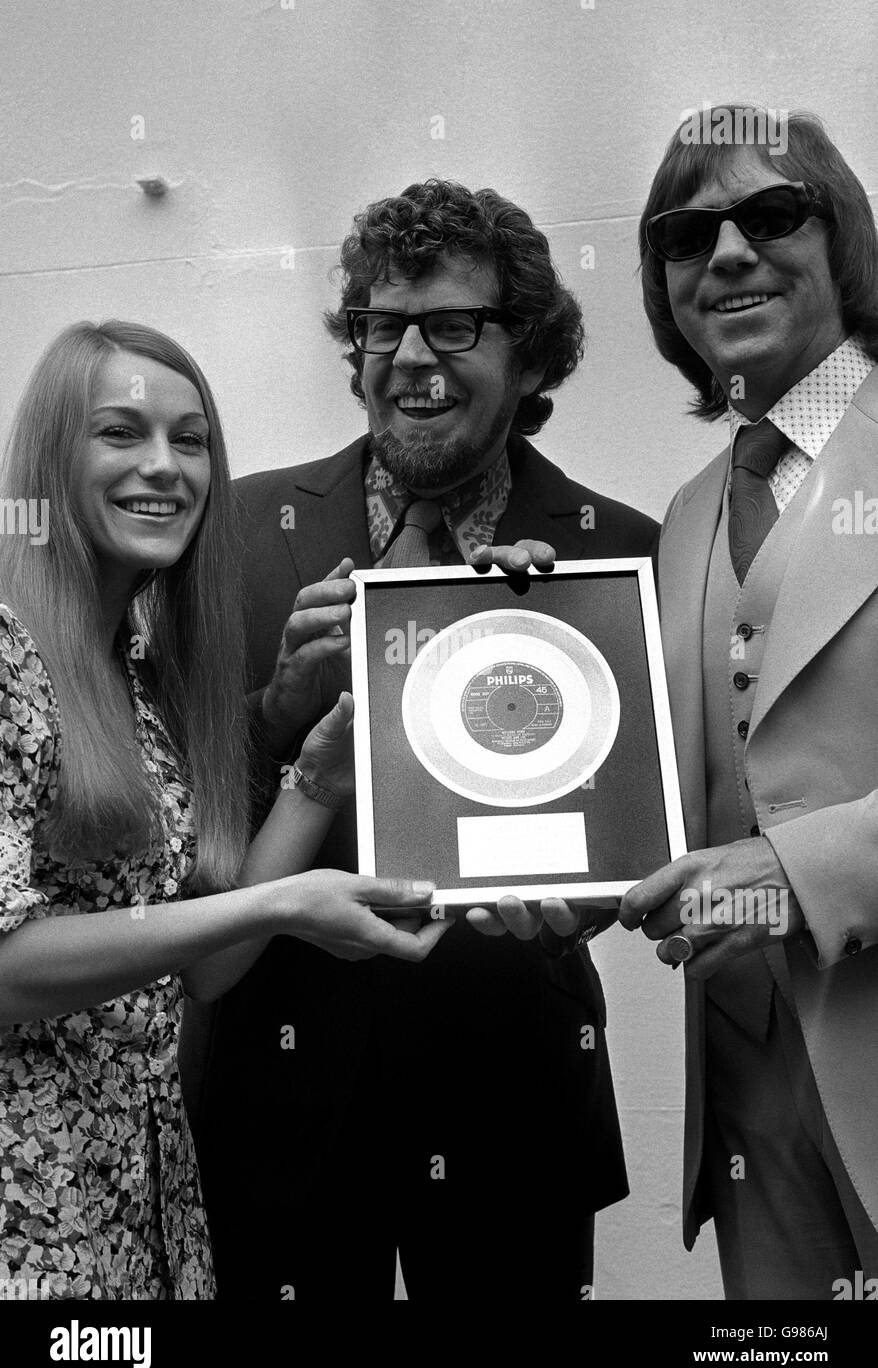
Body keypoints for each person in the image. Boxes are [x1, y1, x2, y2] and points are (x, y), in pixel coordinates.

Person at [187, 178, 658, 1302]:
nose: (407, 355)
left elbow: (630, 814)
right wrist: (275, 715)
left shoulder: (619, 554)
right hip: (279, 1089)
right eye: (379, 325)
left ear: (533, 357)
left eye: (452, 324)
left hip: (512, 1089)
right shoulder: (239, 531)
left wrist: (583, 897)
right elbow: (176, 827)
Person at [0, 321, 447, 1301]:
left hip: (143, 1185)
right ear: (49, 457)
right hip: (28, 1202)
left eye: (190, 438)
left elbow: (201, 968)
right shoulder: (5, 644)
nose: (163, 465)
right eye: (119, 432)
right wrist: (279, 906)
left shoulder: (134, 669)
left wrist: (316, 778)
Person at [615, 106, 878, 1298]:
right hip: (747, 1094)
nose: (724, 254)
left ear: (844, 244)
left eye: (769, 215)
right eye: (685, 233)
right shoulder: (679, 520)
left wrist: (802, 870)